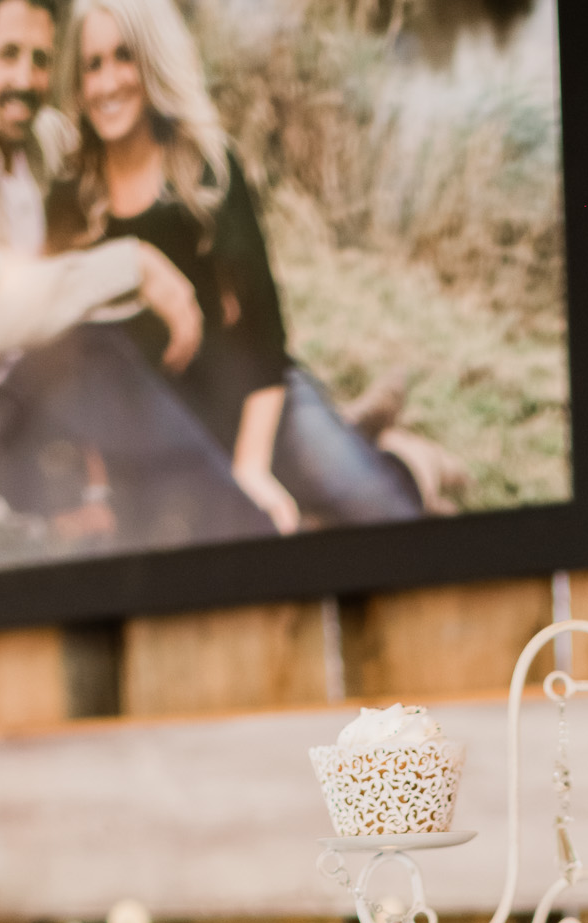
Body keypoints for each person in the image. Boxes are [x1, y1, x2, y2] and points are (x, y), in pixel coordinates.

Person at [0, 0, 265, 546]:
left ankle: (253, 475)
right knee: (102, 350)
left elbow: (120, 151)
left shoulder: (42, 139)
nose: (25, 78)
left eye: (40, 59)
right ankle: (250, 528)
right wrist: (135, 266)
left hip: (58, 403)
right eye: (9, 55)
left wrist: (195, 187)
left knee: (140, 350)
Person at [49, 0, 424, 532]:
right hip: (169, 444)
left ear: (152, 61)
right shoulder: (70, 202)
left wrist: (252, 467)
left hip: (262, 407)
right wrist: (100, 485)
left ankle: (406, 461)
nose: (108, 83)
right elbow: (74, 363)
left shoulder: (209, 170)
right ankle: (362, 427)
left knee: (384, 513)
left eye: (124, 58)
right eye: (93, 65)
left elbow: (265, 336)